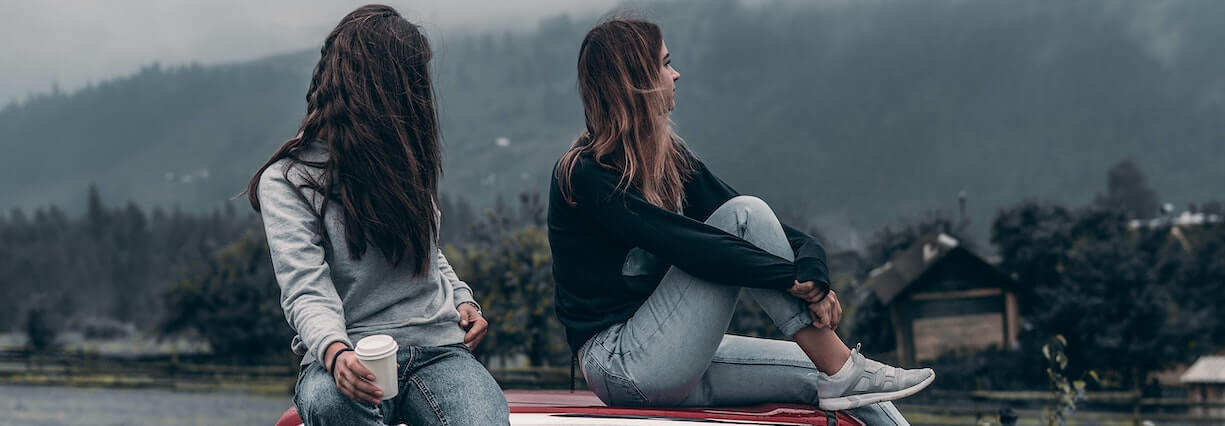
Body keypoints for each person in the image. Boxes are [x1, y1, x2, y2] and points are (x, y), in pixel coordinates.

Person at [548, 16, 934, 426]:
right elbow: (690, 244)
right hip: (620, 363)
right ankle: (842, 366)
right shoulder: (585, 174)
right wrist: (789, 280)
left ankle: (841, 369)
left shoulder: (667, 157)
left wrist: (813, 271)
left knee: (832, 380)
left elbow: (767, 226)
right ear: (636, 79)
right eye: (665, 64)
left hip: (671, 352)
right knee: (742, 217)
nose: (675, 74)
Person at [245, 5, 508, 425]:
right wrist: (335, 352)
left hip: (439, 350)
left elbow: (428, 249)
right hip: (348, 353)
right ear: (381, 88)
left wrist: (462, 298)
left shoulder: (405, 159)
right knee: (332, 403)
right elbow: (304, 287)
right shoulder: (287, 180)